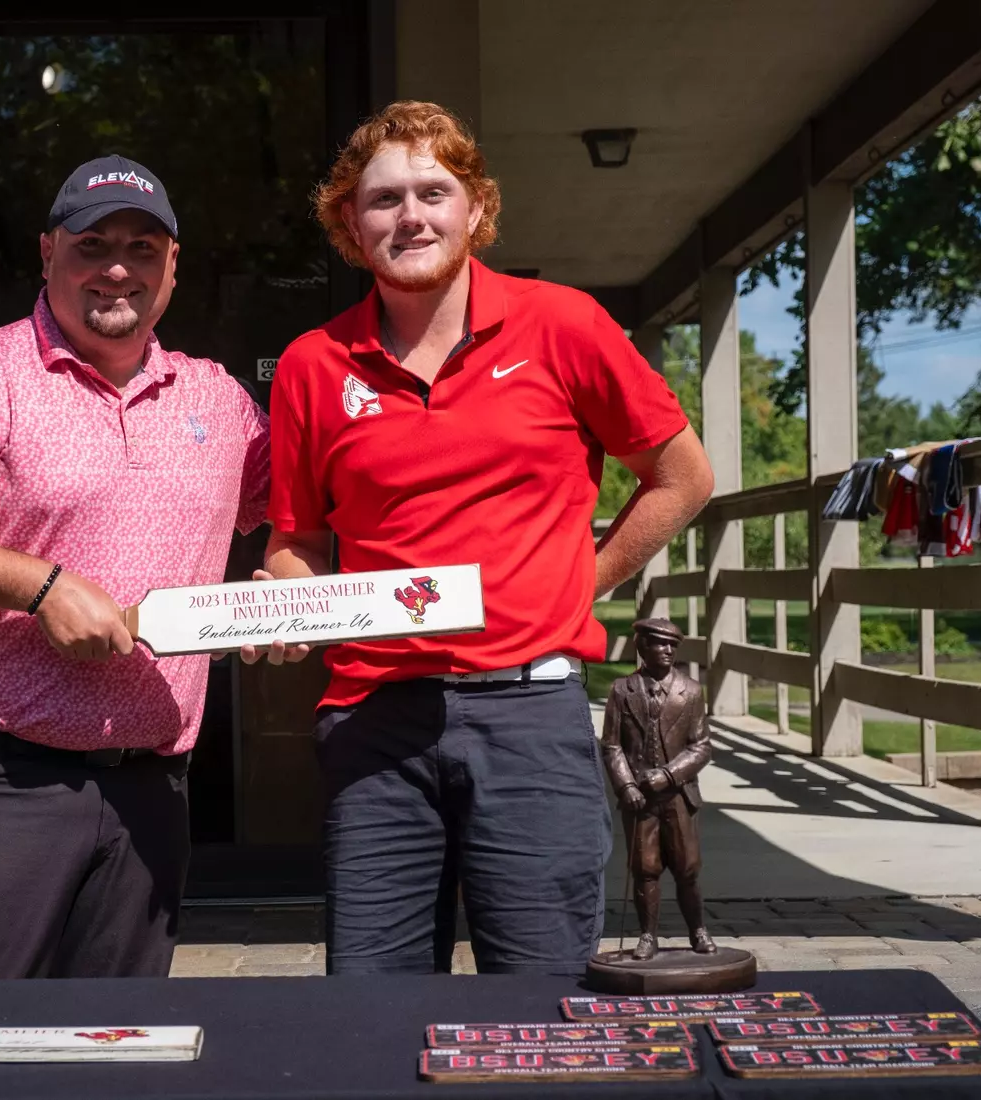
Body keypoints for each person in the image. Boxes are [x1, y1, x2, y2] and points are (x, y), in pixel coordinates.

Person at [261, 101, 715, 976]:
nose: (410, 216)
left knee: (543, 1001)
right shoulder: (313, 364)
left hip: (530, 712)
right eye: (384, 199)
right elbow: (300, 541)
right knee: (373, 1006)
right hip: (374, 721)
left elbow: (683, 477)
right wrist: (289, 599)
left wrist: (581, 581)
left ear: (476, 207)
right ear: (350, 222)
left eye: (433, 192)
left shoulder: (564, 324)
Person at [0, 155, 270, 979]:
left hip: (150, 793)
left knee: (118, 1038)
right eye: (92, 245)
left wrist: (289, 586)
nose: (118, 269)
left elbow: (306, 504)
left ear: (174, 264)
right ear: (47, 254)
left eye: (142, 248)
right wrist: (41, 587)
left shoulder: (217, 400)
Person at [599, 618, 715, 961]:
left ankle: (698, 929)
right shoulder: (622, 690)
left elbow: (701, 747)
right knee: (645, 868)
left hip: (678, 795)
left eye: (672, 646)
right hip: (640, 800)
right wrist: (626, 786)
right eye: (660, 644)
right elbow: (612, 745)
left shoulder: (690, 691)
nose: (668, 650)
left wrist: (668, 774)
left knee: (687, 868)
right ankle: (647, 935)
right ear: (642, 647)